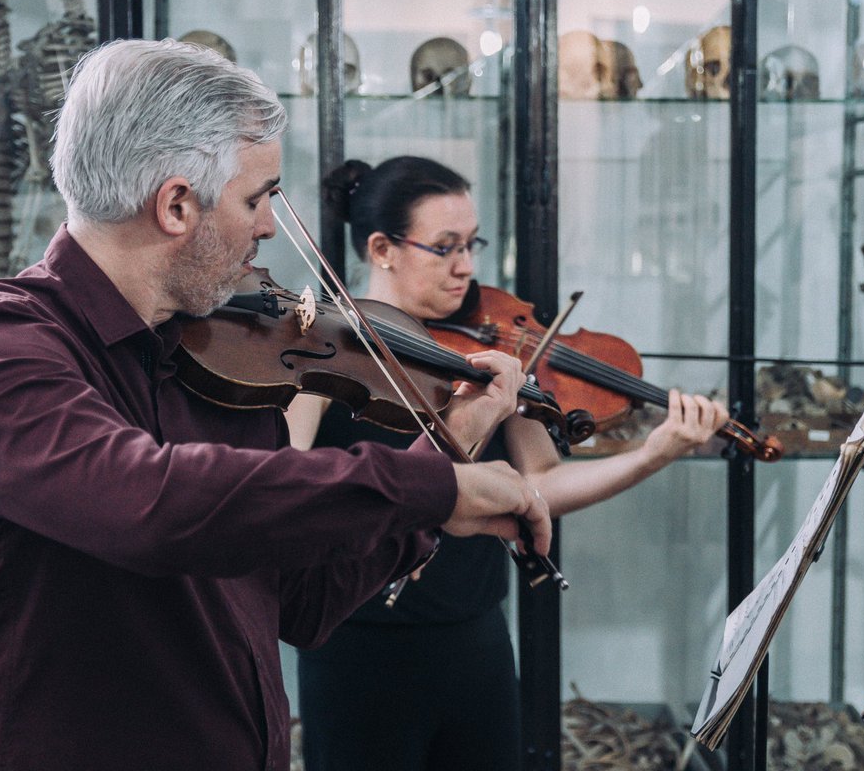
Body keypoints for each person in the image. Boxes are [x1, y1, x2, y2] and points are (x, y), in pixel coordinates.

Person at [0, 41, 553, 770]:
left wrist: (448, 444)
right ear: (177, 204)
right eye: (257, 198)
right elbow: (151, 502)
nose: (271, 227)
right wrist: (425, 485)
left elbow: (304, 600)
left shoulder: (223, 358)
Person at [289, 155, 731, 771]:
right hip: (356, 648)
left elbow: (540, 483)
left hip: (476, 639)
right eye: (444, 247)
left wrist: (652, 455)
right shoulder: (320, 348)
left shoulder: (488, 348)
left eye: (472, 244)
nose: (466, 267)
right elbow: (288, 494)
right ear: (383, 248)